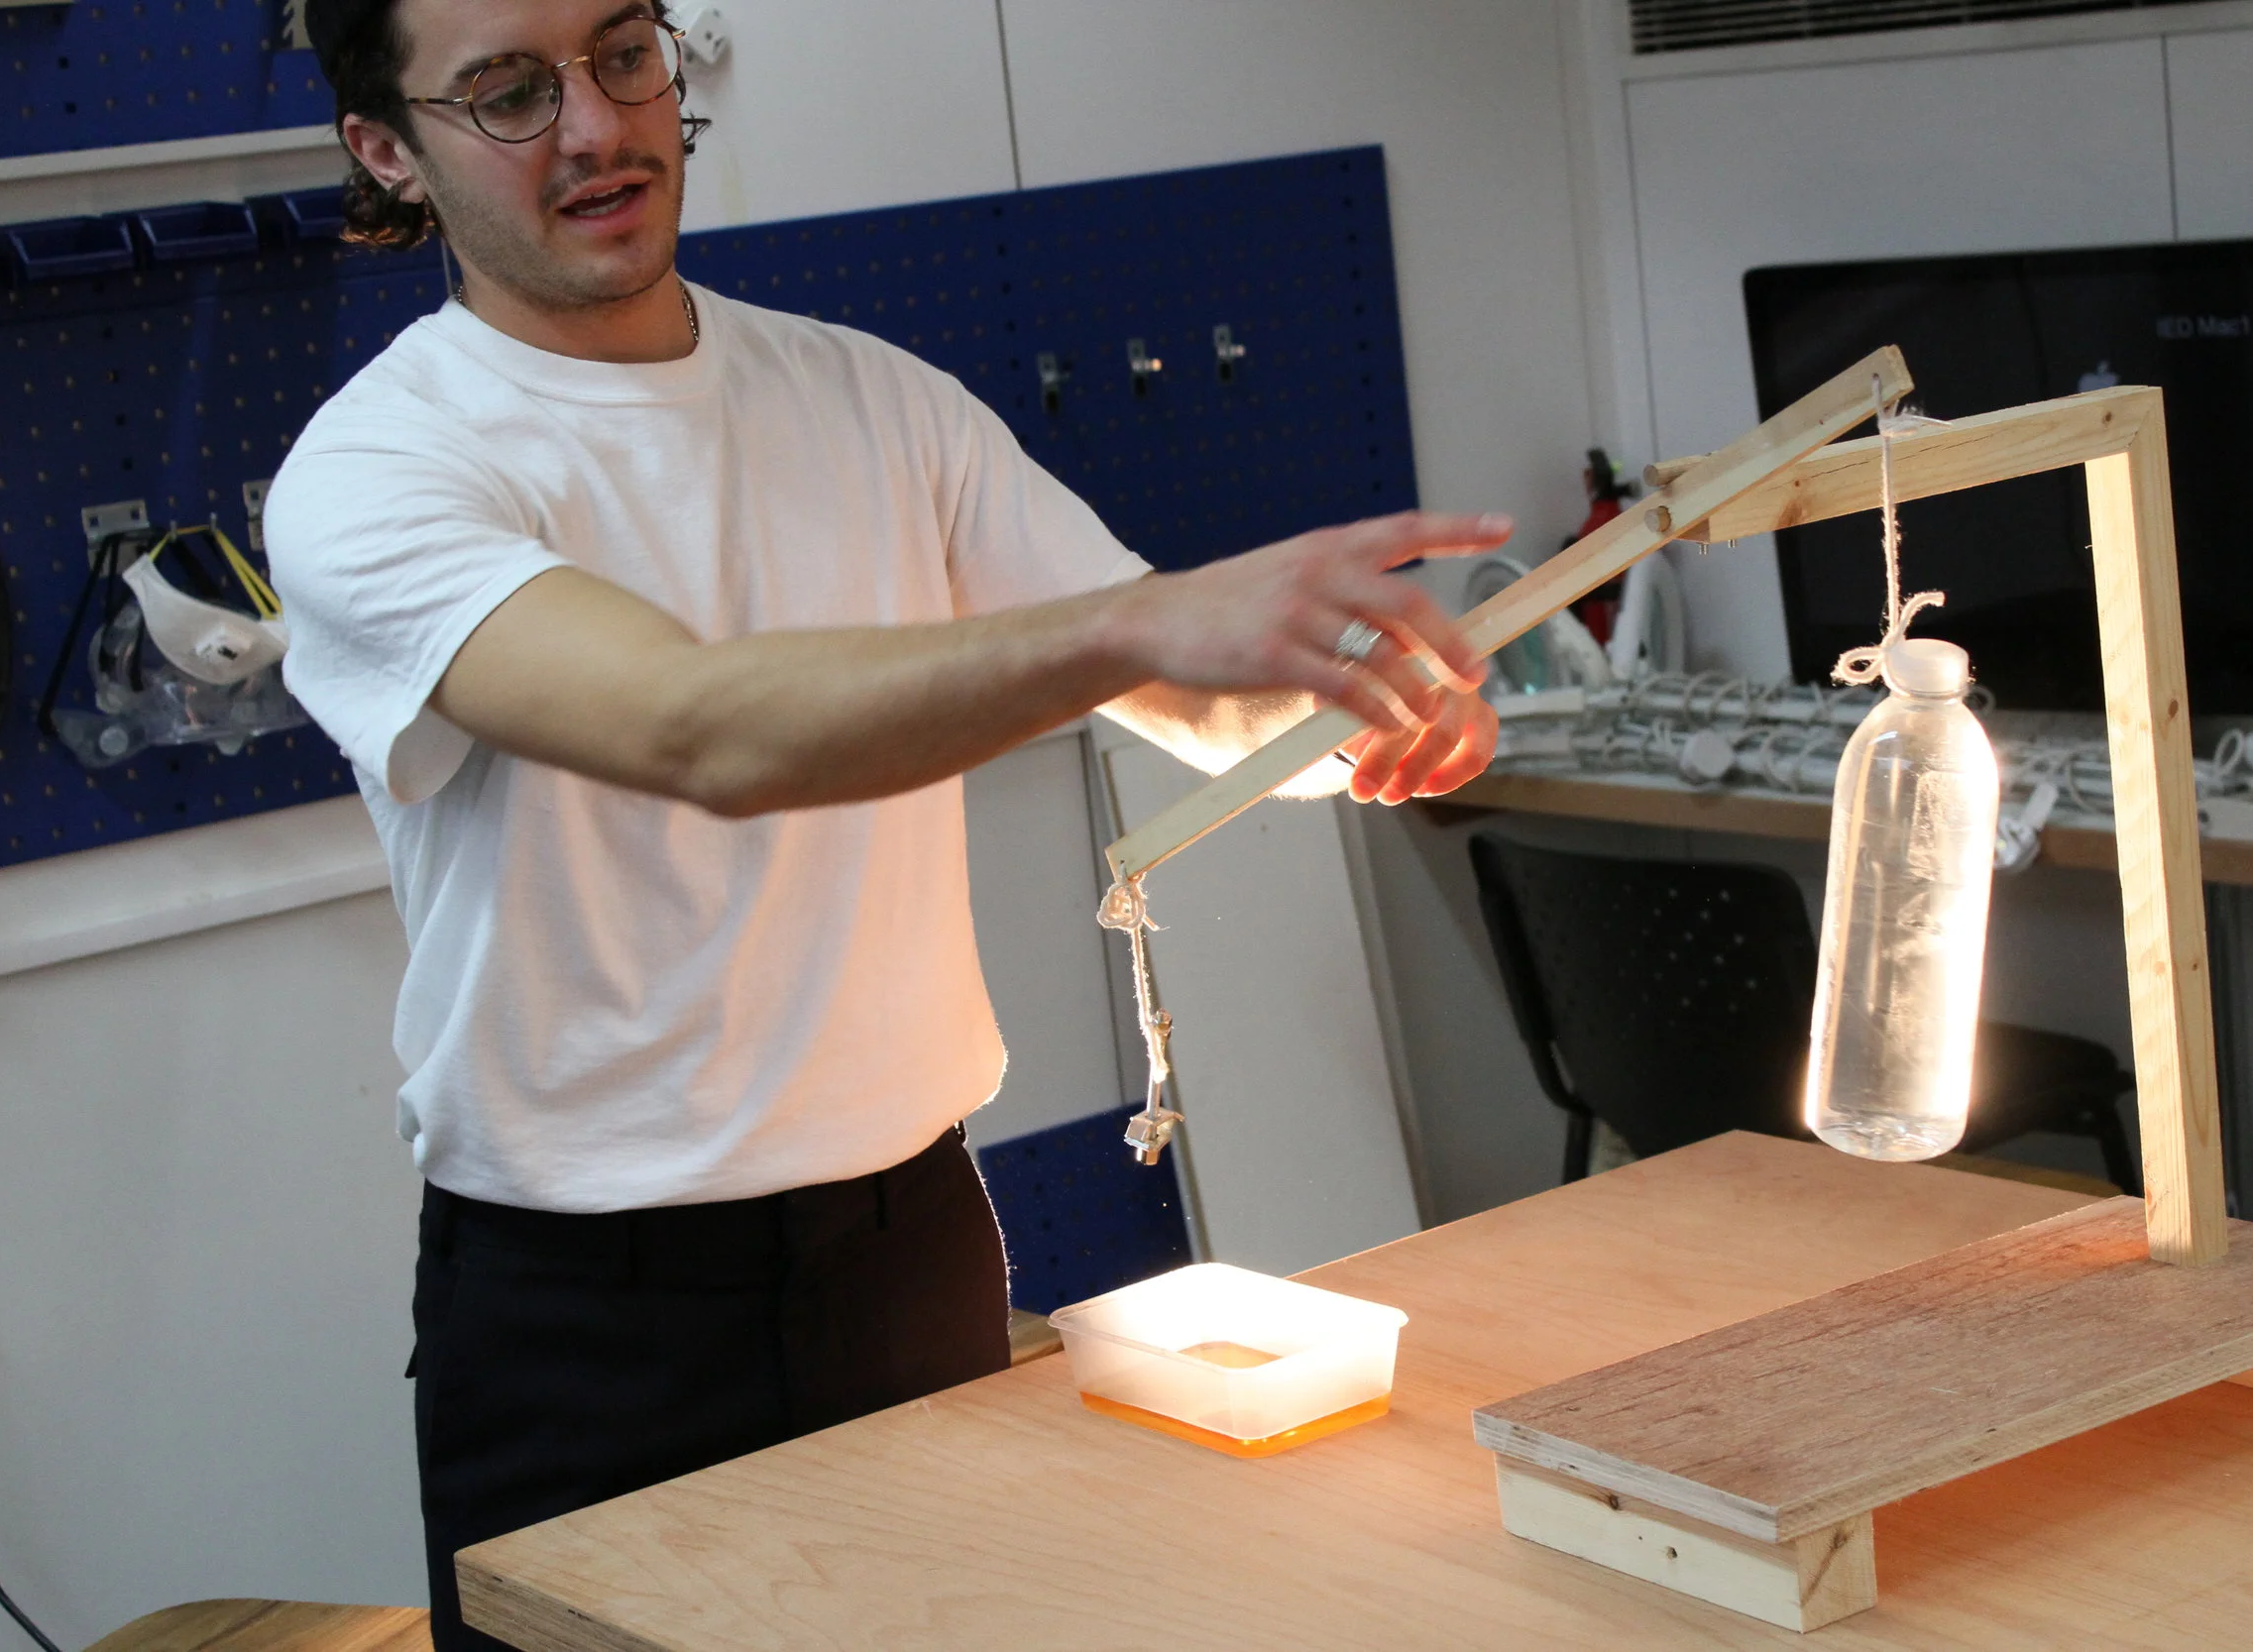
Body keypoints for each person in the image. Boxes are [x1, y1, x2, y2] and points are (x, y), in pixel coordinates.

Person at [273, 2, 1506, 1645]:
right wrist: (1143, 624)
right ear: (386, 148)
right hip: (587, 1325)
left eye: (623, 54)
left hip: (907, 1253)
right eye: (507, 93)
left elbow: (1181, 691)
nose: (595, 128)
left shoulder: (874, 403)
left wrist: (1350, 711)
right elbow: (698, 726)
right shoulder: (376, 471)